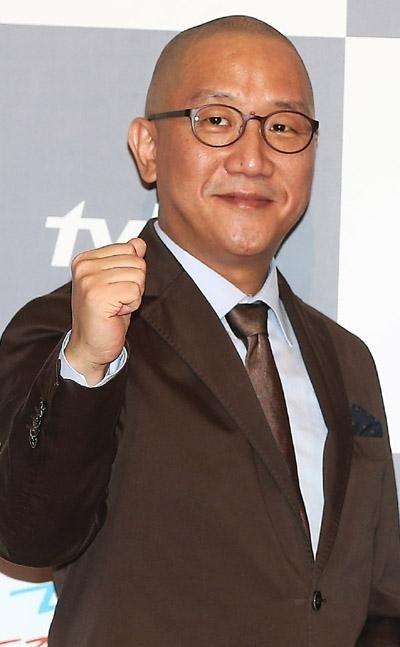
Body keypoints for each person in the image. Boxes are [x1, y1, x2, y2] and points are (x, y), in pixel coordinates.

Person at [0, 14, 399, 646]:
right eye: (216, 120)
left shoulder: (348, 360)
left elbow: (378, 602)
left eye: (283, 127)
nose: (253, 158)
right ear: (148, 148)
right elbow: (28, 535)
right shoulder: (66, 334)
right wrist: (86, 365)